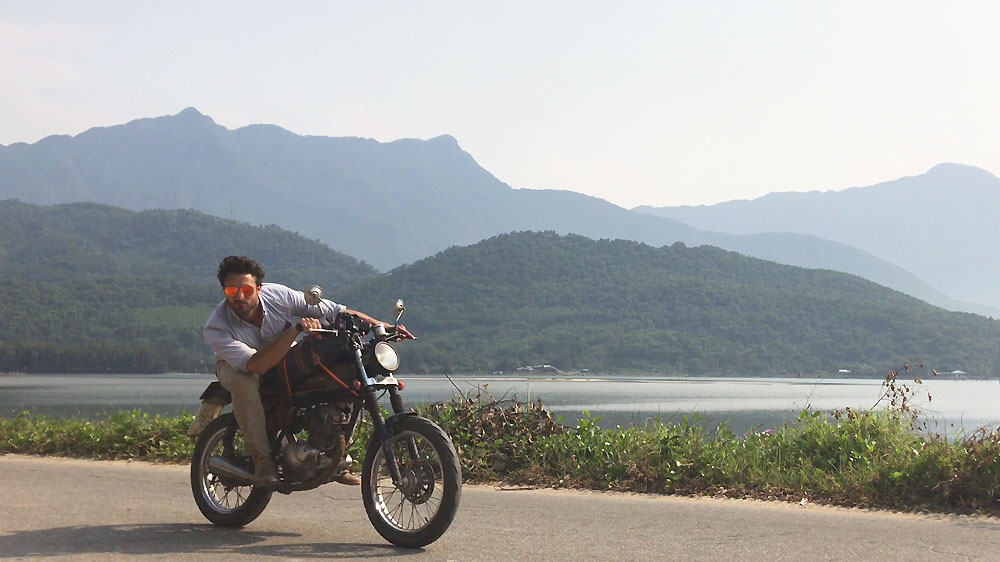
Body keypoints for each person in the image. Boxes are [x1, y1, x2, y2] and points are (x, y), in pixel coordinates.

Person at [201, 255, 414, 486]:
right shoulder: (217, 326)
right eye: (231, 291)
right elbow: (256, 365)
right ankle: (261, 459)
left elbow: (337, 311)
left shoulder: (279, 296)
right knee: (246, 382)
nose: (240, 296)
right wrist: (295, 331)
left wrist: (382, 327)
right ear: (224, 291)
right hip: (237, 366)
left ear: (259, 288)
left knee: (340, 372)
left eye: (246, 289)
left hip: (281, 354)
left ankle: (331, 454)